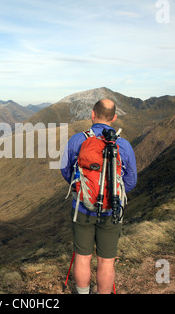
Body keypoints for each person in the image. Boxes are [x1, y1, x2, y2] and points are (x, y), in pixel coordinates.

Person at [61, 99, 137, 294]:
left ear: (92, 114)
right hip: (112, 211)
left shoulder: (77, 140)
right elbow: (131, 181)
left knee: (83, 257)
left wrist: (82, 189)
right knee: (106, 260)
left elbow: (65, 171)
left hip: (83, 208)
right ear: (114, 117)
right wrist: (113, 196)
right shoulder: (124, 145)